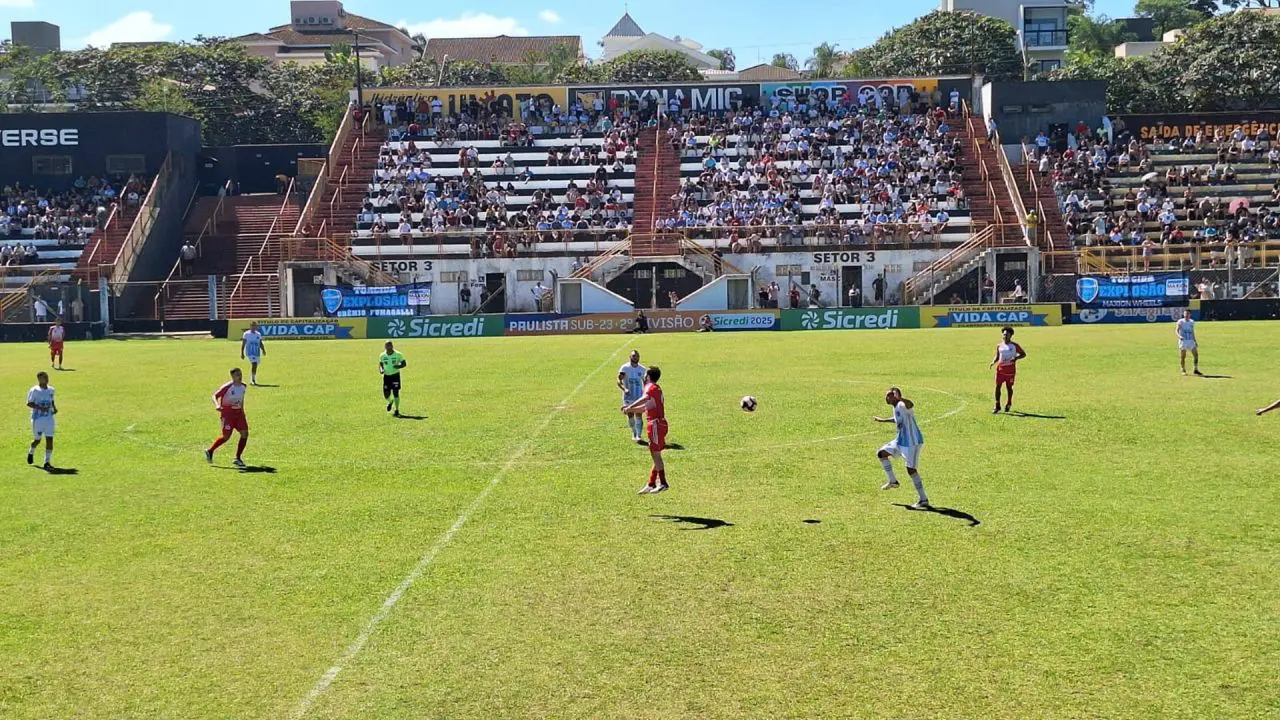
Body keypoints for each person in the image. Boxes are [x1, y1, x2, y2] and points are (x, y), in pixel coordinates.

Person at [873, 387, 929, 510]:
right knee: (881, 454)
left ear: (896, 396)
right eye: (886, 395)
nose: (886, 397)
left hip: (912, 442)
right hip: (900, 441)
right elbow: (897, 419)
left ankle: (923, 499)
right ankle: (893, 481)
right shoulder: (895, 407)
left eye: (889, 395)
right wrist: (883, 420)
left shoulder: (902, 404)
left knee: (911, 470)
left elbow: (911, 404)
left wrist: (901, 399)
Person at [623, 366, 669, 494]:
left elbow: (643, 400)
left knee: (655, 454)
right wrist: (629, 409)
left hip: (655, 424)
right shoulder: (657, 389)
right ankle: (651, 482)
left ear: (648, 376)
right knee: (656, 454)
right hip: (661, 424)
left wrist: (630, 406)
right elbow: (645, 408)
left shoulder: (650, 387)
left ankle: (663, 482)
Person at [206, 368, 249, 468]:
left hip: (239, 414)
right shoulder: (227, 387)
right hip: (228, 415)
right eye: (237, 375)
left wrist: (242, 411)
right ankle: (210, 451)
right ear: (232, 376)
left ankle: (237, 458)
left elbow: (241, 399)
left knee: (245, 433)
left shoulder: (244, 386)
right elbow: (214, 396)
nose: (240, 376)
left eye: (240, 374)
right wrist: (217, 405)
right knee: (226, 437)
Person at [989, 325, 1027, 413]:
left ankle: (1009, 402)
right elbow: (998, 356)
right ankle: (997, 405)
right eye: (1004, 334)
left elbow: (1023, 354)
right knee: (997, 387)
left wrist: (1016, 358)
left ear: (1011, 336)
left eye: (1007, 335)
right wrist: (993, 361)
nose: (1005, 336)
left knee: (1009, 387)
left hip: (1010, 371)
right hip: (1000, 370)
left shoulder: (1014, 346)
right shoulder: (999, 346)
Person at [26, 371, 57, 469]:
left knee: (50, 439)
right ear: (39, 379)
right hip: (37, 419)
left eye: (47, 377)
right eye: (44, 378)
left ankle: (46, 462)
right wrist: (40, 408)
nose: (47, 379)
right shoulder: (34, 390)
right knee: (37, 440)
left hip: (49, 419)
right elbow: (29, 403)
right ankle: (31, 451)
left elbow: (51, 400)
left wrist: (54, 407)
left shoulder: (51, 389)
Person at [617, 350, 648, 444]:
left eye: (637, 356)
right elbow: (618, 381)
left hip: (639, 396)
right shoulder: (625, 368)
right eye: (634, 356)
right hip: (628, 397)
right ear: (630, 357)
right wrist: (624, 389)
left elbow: (646, 382)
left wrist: (646, 393)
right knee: (630, 415)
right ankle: (634, 432)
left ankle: (639, 435)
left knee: (639, 415)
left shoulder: (642, 369)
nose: (636, 358)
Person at [378, 341, 408, 417]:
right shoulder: (382, 355)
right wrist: (381, 370)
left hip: (395, 376)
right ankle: (390, 401)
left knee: (395, 392)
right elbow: (381, 364)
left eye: (390, 346)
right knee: (386, 394)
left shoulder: (398, 354)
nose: (388, 348)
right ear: (385, 347)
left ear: (392, 346)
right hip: (386, 376)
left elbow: (404, 364)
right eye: (387, 346)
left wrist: (398, 366)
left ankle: (397, 410)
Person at [1176, 309, 1202, 376]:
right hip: (1183, 341)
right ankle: (1183, 369)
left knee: (1196, 355)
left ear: (1190, 314)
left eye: (1187, 314)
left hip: (1191, 341)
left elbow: (1192, 332)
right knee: (1183, 356)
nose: (1186, 315)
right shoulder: (1180, 321)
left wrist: (1195, 341)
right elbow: (1176, 331)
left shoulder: (1192, 322)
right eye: (1185, 314)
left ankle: (1195, 369)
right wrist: (1179, 336)